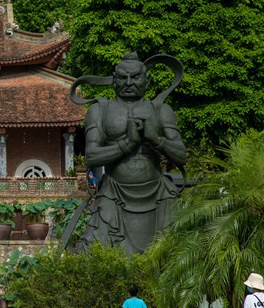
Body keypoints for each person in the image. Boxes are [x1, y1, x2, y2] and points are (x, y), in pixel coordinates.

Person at [72, 53, 187, 255]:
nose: (128, 83)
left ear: (147, 80)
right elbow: (92, 156)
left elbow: (181, 156)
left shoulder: (161, 110)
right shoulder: (100, 110)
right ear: (114, 80)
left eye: (135, 77)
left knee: (176, 254)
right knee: (93, 255)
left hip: (159, 194)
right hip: (114, 193)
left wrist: (155, 139)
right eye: (123, 77)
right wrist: (128, 143)